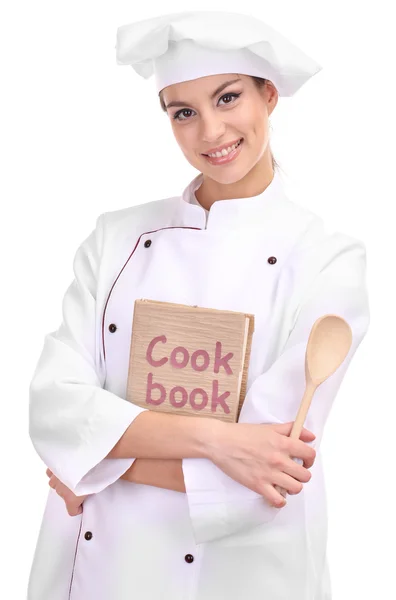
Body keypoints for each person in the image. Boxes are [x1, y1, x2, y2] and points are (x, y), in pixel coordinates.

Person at [27, 10, 370, 600]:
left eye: (228, 98)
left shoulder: (325, 260)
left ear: (268, 96)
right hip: (98, 573)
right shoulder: (116, 239)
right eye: (183, 112)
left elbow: (270, 474)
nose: (210, 132)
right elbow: (54, 407)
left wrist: (100, 463)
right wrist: (220, 440)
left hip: (244, 574)